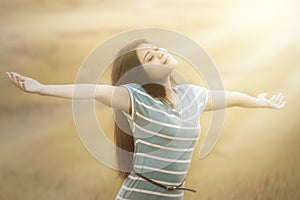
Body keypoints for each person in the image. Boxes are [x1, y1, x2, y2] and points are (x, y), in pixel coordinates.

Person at [5, 39, 286, 200]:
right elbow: (94, 91)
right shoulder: (134, 98)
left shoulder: (192, 96)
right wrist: (41, 88)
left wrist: (260, 102)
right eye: (150, 56)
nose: (161, 53)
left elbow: (232, 96)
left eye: (158, 48)